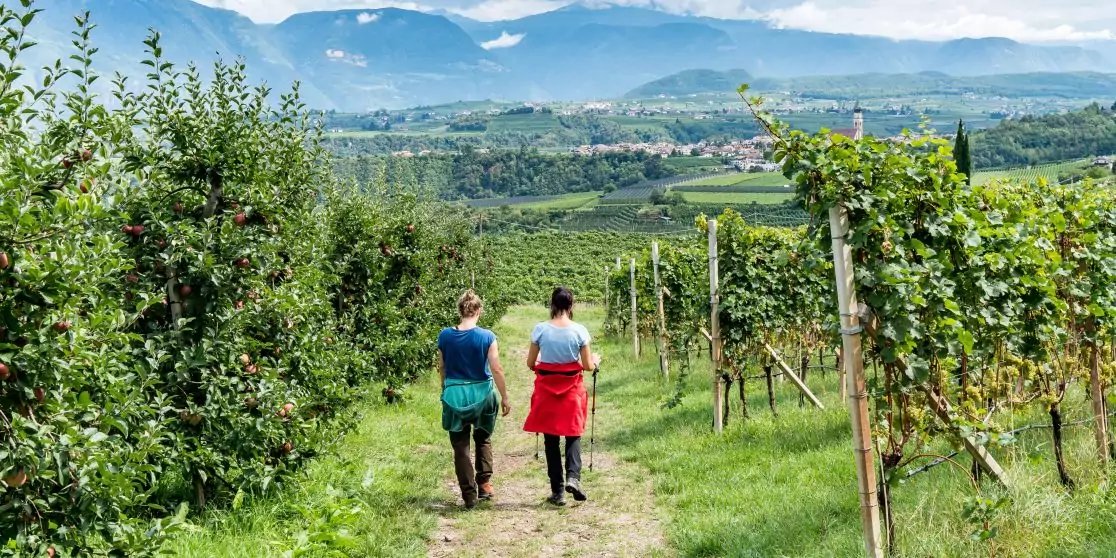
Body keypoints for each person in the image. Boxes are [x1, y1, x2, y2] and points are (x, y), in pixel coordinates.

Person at [523, 286, 601, 506]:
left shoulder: (540, 329)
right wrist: (596, 360)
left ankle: (557, 492)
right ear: (571, 305)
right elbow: (587, 365)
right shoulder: (580, 331)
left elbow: (531, 363)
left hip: (547, 390)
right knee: (573, 433)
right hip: (571, 391)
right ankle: (573, 478)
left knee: (550, 439)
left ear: (552, 305)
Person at [438, 290, 511, 509]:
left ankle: (468, 495)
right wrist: (505, 397)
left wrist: (445, 388)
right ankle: (485, 484)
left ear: (460, 310)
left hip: (454, 395)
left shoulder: (445, 336)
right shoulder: (487, 336)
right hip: (482, 394)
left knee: (460, 447)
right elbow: (496, 368)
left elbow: (442, 366)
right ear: (478, 310)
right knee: (483, 438)